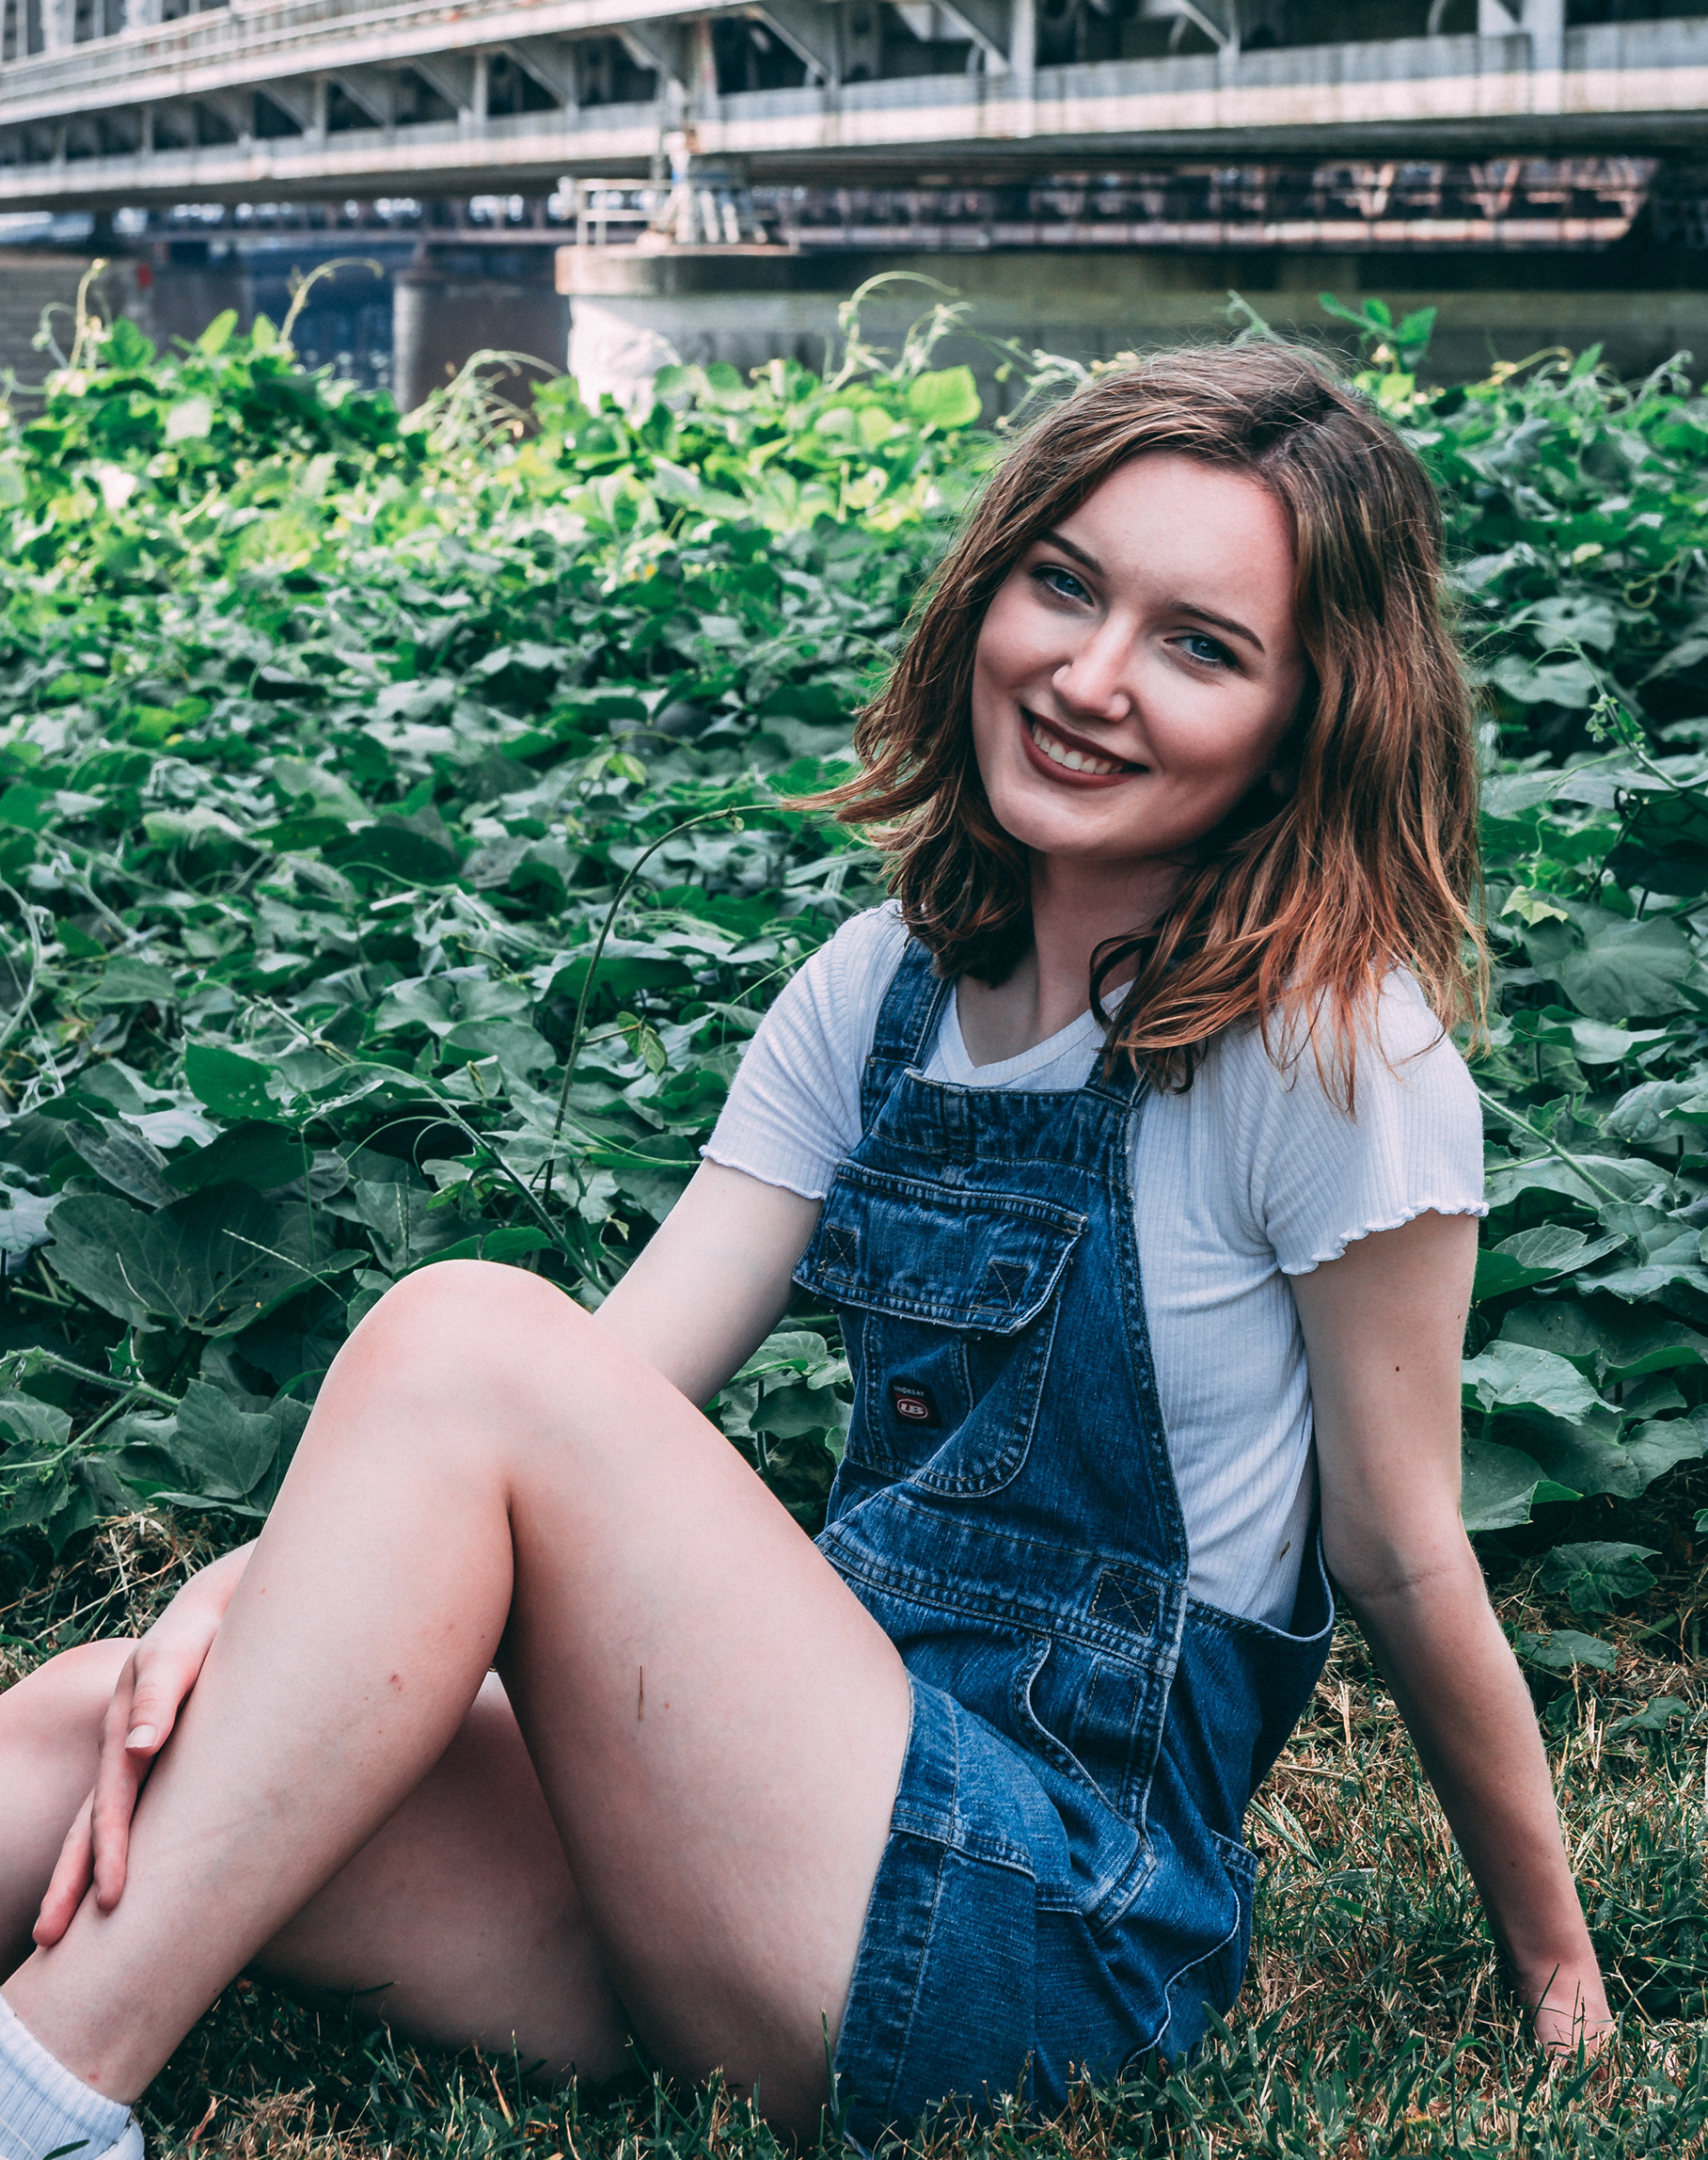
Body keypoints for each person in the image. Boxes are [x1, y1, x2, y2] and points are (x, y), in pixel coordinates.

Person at [0, 343, 1610, 2160]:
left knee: (468, 1331)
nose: (1088, 679)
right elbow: (600, 1392)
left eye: (1198, 646)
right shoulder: (875, 998)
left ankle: (50, 2097)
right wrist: (235, 1605)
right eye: (1063, 585)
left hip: (1038, 1932)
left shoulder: (1330, 1051)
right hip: (744, 1848)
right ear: (987, 586)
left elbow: (1399, 1555)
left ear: (1311, 719)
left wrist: (1554, 1971)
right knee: (87, 1726)